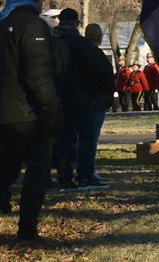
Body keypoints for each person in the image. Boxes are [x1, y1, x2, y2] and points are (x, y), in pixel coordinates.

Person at [0, 0, 63, 243]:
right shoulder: (32, 26)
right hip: (28, 112)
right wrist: (52, 104)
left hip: (4, 110)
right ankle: (27, 229)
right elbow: (38, 73)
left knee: (6, 172)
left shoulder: (3, 25)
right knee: (38, 170)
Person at [56, 10, 114, 190]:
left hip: (58, 98)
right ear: (75, 23)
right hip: (83, 99)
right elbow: (102, 74)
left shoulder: (52, 45)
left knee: (64, 139)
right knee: (87, 138)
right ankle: (85, 176)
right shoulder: (85, 47)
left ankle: (64, 177)